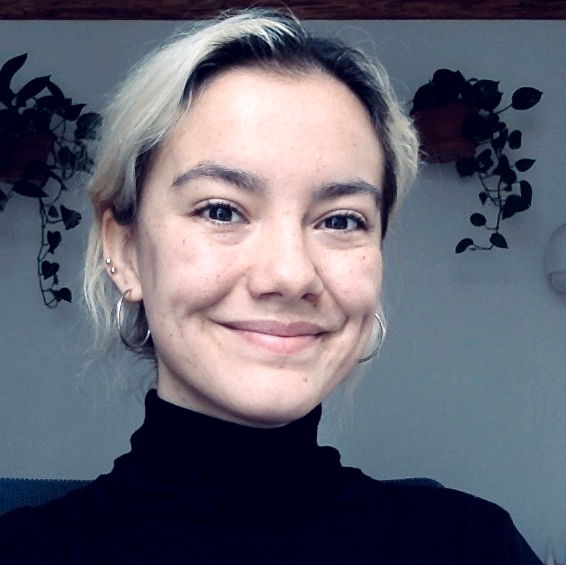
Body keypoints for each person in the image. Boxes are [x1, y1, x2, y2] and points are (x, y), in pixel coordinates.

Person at [0, 9, 541, 564]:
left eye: (341, 220)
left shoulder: (472, 545)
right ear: (125, 249)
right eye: (221, 210)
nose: (289, 274)